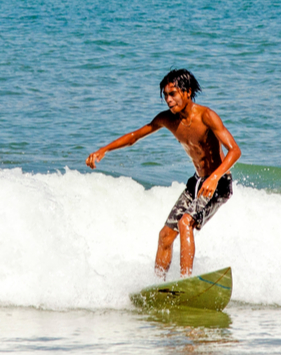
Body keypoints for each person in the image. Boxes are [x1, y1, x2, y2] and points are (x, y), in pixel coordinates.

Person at [86, 69, 241, 278]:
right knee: (165, 235)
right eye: (166, 95)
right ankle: (159, 285)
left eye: (173, 94)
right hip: (197, 182)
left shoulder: (207, 117)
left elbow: (235, 150)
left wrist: (214, 178)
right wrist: (104, 149)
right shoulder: (168, 119)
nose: (168, 100)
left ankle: (187, 282)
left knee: (185, 222)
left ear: (187, 92)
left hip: (218, 182)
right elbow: (134, 136)